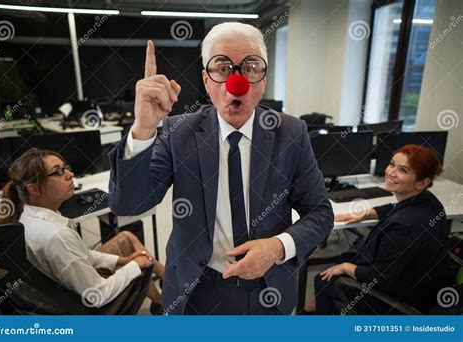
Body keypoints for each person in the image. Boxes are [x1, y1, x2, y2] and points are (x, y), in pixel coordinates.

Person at [109, 22, 334, 315]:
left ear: (262, 79)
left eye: (250, 67)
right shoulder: (177, 132)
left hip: (268, 289)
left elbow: (320, 212)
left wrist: (277, 247)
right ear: (205, 79)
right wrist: (142, 128)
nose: (235, 83)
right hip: (195, 290)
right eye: (223, 67)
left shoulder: (291, 133)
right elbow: (128, 204)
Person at [0, 148, 165, 314]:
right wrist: (134, 265)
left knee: (126, 238)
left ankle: (160, 297)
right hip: (89, 307)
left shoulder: (27, 215)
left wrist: (124, 260)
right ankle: (164, 287)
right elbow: (97, 294)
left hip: (65, 290)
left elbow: (82, 254)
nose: (70, 174)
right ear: (34, 189)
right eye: (58, 172)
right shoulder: (57, 236)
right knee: (142, 263)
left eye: (66, 167)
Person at [308, 144, 451, 314]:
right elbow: (395, 207)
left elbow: (378, 278)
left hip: (399, 299)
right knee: (346, 256)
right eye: (392, 164)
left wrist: (345, 268)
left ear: (422, 182)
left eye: (403, 170)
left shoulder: (405, 226)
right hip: (424, 285)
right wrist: (366, 213)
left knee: (323, 279)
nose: (391, 172)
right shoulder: (427, 200)